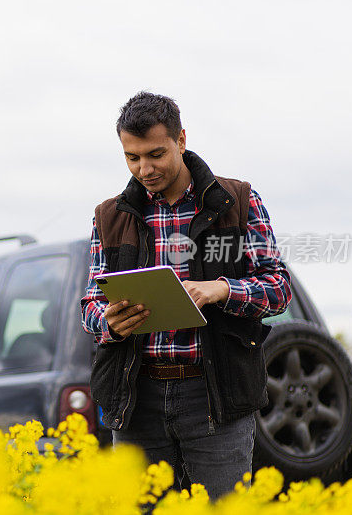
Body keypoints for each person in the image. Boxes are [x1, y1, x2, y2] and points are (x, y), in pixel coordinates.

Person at [80, 91, 291, 500]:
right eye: (132, 157)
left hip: (216, 394)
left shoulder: (238, 201)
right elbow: (90, 303)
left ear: (181, 140)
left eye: (156, 154)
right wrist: (108, 322)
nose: (145, 168)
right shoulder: (109, 216)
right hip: (136, 396)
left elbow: (278, 287)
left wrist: (221, 290)